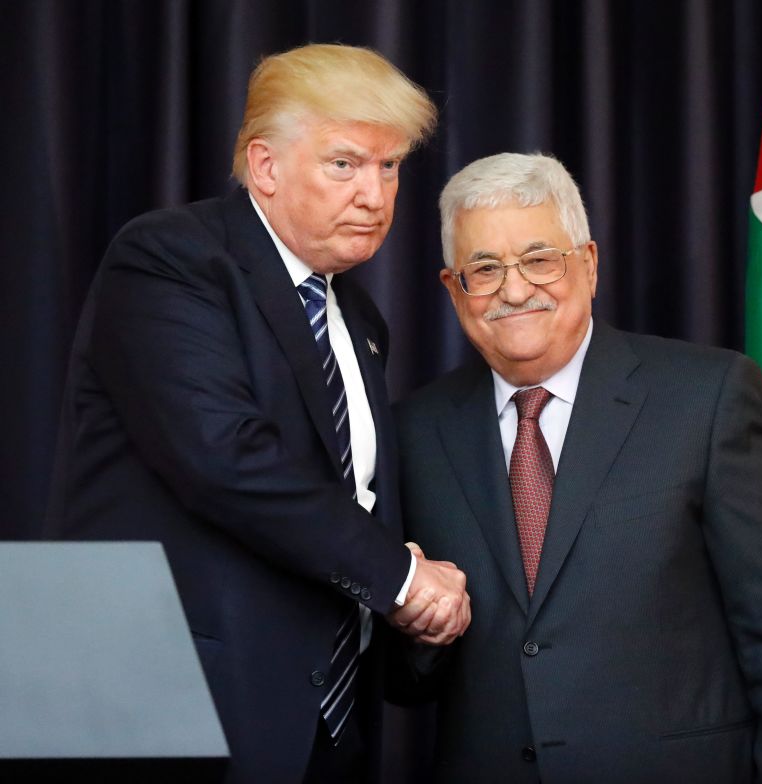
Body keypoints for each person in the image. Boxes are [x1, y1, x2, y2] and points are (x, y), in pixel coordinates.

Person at [44, 43, 469, 784]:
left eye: (390, 166)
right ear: (266, 167)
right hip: (156, 700)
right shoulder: (169, 257)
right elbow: (226, 457)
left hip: (319, 717)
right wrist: (401, 582)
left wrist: (418, 610)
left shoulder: (359, 317)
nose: (375, 194)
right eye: (345, 164)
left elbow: (357, 500)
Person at [393, 152, 762, 783]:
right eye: (484, 269)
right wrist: (420, 633)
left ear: (590, 265)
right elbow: (399, 680)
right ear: (452, 288)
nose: (514, 290)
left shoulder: (708, 399)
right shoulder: (415, 432)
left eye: (540, 259)